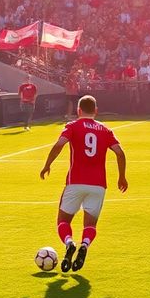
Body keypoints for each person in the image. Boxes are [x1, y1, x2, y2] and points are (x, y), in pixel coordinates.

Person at [39, 95, 127, 273]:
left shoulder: (72, 126)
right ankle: (84, 245)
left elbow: (59, 145)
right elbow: (120, 152)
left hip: (75, 182)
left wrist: (47, 165)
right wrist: (122, 177)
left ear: (78, 110)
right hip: (98, 185)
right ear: (96, 110)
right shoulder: (105, 130)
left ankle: (69, 243)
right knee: (90, 225)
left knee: (63, 220)